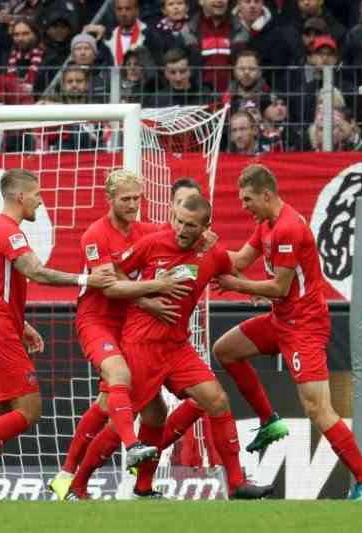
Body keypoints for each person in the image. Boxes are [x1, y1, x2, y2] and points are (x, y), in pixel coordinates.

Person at [66, 194, 274, 500]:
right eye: (177, 220)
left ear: (205, 226)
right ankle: (78, 483)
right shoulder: (154, 243)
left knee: (216, 400)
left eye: (189, 225)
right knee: (129, 420)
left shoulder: (212, 253)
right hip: (142, 343)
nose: (180, 229)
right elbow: (116, 274)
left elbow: (234, 267)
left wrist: (259, 292)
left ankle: (236, 483)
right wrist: (146, 300)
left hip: (177, 346)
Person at [213, 164, 362, 501]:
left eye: (247, 199)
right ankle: (269, 420)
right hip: (281, 320)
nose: (243, 205)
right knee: (225, 350)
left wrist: (235, 285)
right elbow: (238, 260)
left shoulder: (289, 228)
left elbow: (279, 286)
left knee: (318, 408)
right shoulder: (265, 224)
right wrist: (204, 251)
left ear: (266, 194)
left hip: (304, 326)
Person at [0, 168, 115, 499]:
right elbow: (36, 271)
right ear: (20, 197)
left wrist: (22, 325)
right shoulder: (9, 232)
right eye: (37, 194)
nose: (41, 200)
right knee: (29, 411)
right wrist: (86, 280)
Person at [48, 170, 195, 500]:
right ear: (109, 199)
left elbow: (183, 237)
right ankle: (131, 446)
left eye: (136, 198)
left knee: (149, 411)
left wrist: (206, 237)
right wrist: (155, 290)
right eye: (125, 199)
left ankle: (81, 479)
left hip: (131, 324)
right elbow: (111, 289)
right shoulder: (95, 235)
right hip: (97, 320)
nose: (132, 205)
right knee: (119, 375)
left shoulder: (147, 231)